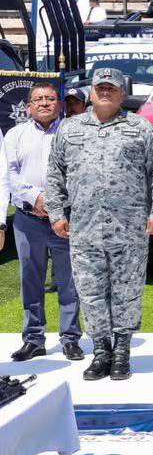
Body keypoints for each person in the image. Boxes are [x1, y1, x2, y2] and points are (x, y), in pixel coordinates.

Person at [44, 67, 153, 381]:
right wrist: (56, 213)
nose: (105, 92)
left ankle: (122, 352)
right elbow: (54, 174)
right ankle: (101, 351)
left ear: (121, 94)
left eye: (111, 88)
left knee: (126, 292)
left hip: (129, 229)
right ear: (91, 92)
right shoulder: (70, 129)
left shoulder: (140, 128)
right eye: (100, 87)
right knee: (90, 292)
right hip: (85, 228)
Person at [7, 83, 76, 363]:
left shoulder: (71, 132)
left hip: (65, 219)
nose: (44, 103)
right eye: (38, 99)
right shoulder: (15, 134)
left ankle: (70, 337)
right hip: (28, 220)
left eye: (50, 98)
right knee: (30, 280)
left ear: (58, 104)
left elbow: (81, 171)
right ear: (28, 106)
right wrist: (35, 197)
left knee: (69, 280)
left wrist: (56, 201)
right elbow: (9, 173)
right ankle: (33, 338)